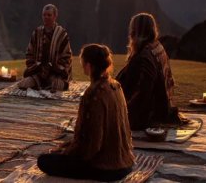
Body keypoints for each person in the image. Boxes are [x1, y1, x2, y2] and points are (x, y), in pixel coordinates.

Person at [37, 44, 135, 181]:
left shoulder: (94, 94)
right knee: (61, 148)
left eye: (83, 62)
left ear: (89, 65)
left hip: (107, 168)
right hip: (127, 162)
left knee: (44, 161)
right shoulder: (116, 86)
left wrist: (66, 153)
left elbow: (92, 145)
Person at [116, 13, 185, 130]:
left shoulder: (145, 55)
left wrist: (124, 113)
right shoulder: (156, 46)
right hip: (165, 108)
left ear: (135, 31)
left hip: (152, 114)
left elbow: (144, 91)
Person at [17, 4, 73, 91]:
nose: (46, 17)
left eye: (49, 15)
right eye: (44, 15)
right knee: (23, 84)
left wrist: (54, 67)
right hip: (38, 72)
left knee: (56, 86)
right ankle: (39, 84)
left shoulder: (62, 34)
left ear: (55, 16)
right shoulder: (36, 33)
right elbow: (29, 53)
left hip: (55, 73)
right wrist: (36, 66)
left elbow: (66, 56)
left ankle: (51, 84)